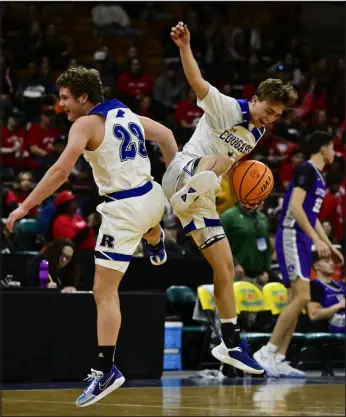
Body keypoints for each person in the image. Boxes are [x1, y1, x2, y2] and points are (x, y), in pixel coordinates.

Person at [6, 66, 178, 407]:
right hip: (154, 197)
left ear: (84, 98)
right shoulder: (125, 113)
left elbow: (59, 171)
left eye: (66, 98)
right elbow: (168, 135)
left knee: (103, 291)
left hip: (124, 211)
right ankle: (155, 237)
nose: (61, 105)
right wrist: (175, 183)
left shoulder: (85, 124)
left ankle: (106, 369)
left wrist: (24, 206)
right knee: (148, 220)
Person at [162, 21, 297, 374]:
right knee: (221, 161)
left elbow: (231, 175)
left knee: (223, 267)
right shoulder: (224, 107)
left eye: (277, 116)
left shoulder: (255, 135)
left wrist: (245, 196)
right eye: (268, 110)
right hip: (182, 173)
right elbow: (196, 81)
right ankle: (173, 208)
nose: (271, 118)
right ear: (254, 99)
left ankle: (231, 341)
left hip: (199, 198)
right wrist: (184, 46)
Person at [253, 131, 344, 378]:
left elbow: (312, 218)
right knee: (303, 297)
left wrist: (329, 245)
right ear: (324, 148)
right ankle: (266, 351)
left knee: (297, 297)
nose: (334, 152)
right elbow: (294, 206)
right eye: (332, 147)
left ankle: (280, 356)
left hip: (303, 237)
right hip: (292, 234)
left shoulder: (318, 176)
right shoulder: (305, 170)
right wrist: (316, 240)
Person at [308, 252, 345, 333]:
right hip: (329, 337)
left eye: (332, 260)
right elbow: (314, 315)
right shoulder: (314, 285)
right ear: (316, 266)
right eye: (326, 261)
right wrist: (339, 305)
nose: (332, 263)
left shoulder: (341, 284)